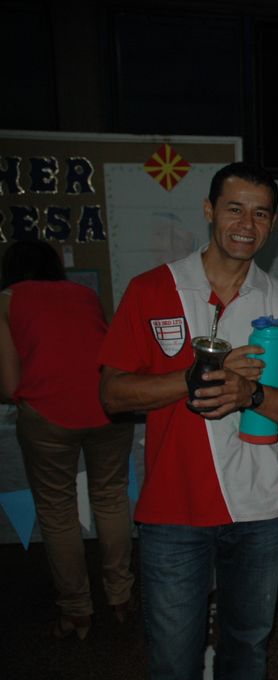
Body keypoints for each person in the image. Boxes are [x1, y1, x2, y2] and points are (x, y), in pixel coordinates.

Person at [98, 162, 278, 680]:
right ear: (209, 211)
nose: (247, 224)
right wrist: (194, 377)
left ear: (273, 225)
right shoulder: (153, 290)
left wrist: (252, 394)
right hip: (173, 507)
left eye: (260, 214)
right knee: (174, 659)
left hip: (258, 509)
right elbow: (112, 395)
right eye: (235, 209)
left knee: (247, 650)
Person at [0, 240, 135, 640]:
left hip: (49, 414)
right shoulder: (84, 294)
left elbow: (9, 386)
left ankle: (77, 612)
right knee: (111, 497)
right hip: (110, 405)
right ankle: (121, 597)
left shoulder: (5, 300)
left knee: (57, 511)